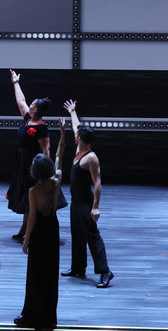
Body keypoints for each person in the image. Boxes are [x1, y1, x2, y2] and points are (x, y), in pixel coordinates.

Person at [15, 118, 66, 329]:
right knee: (50, 274)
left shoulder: (33, 192)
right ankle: (48, 316)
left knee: (35, 275)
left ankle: (31, 315)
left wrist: (26, 241)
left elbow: (32, 218)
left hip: (39, 233)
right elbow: (59, 156)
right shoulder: (56, 183)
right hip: (52, 229)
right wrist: (62, 134)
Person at [6, 70, 65, 240]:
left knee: (30, 194)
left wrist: (46, 173)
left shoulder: (41, 127)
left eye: (32, 104)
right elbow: (20, 100)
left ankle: (29, 229)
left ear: (36, 109)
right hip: (21, 163)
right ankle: (24, 228)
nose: (29, 105)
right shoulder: (27, 119)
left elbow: (46, 150)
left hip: (33, 165)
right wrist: (15, 82)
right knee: (25, 194)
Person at [62, 100, 113, 288]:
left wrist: (96, 207)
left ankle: (105, 271)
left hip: (85, 202)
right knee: (77, 234)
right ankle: (78, 267)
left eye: (76, 135)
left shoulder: (90, 157)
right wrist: (73, 111)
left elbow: (97, 182)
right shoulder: (79, 150)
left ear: (79, 139)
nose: (75, 135)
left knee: (92, 235)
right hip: (76, 201)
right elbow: (77, 126)